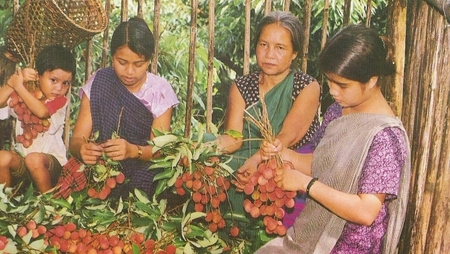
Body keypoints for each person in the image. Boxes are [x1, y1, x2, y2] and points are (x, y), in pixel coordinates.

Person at [252, 24, 411, 253]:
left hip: (348, 246)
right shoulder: (338, 111)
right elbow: (321, 163)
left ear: (372, 80)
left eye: (342, 85)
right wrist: (283, 154)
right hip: (313, 232)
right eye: (330, 81)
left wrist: (305, 183)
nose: (333, 91)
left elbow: (366, 212)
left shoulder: (385, 136)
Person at [215, 11, 321, 228]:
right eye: (264, 45)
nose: (269, 54)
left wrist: (257, 161)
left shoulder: (307, 86)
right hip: (249, 163)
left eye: (280, 48)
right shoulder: (242, 86)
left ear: (294, 54)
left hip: (293, 169)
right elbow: (233, 138)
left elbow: (286, 136)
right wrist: (202, 146)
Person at [68, 17, 179, 198]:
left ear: (149, 60)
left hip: (142, 167)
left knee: (144, 185)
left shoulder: (160, 91)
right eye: (122, 62)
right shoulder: (100, 81)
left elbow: (161, 152)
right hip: (102, 168)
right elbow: (76, 140)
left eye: (138, 64)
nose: (129, 71)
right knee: (72, 177)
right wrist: (82, 149)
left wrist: (132, 151)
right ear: (112, 57)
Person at [0, 45, 76, 193]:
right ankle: (6, 205)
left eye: (65, 83)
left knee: (34, 159)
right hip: (24, 163)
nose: (59, 88)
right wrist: (12, 84)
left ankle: (49, 205)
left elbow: (41, 112)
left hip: (51, 166)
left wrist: (19, 88)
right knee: (2, 158)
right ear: (38, 75)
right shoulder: (26, 97)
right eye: (53, 80)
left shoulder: (60, 101)